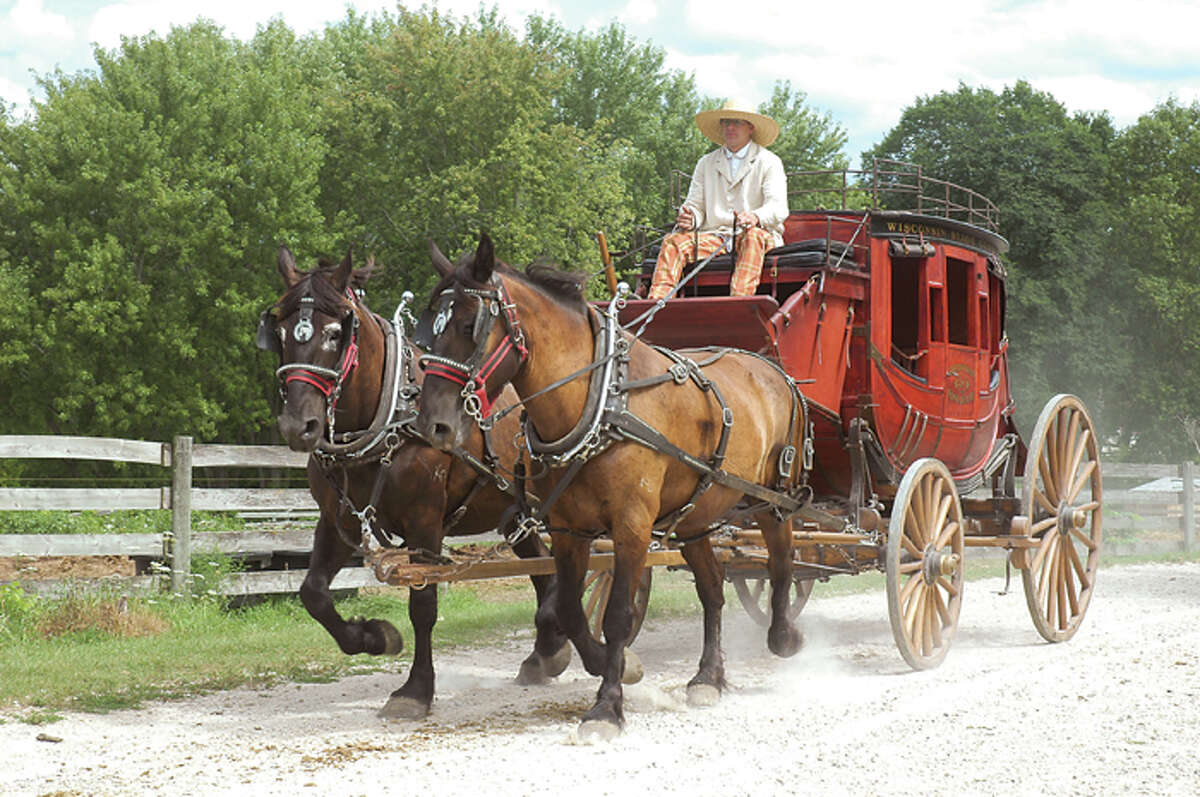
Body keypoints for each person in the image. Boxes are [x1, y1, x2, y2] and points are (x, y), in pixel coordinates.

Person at [647, 100, 788, 300]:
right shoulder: (706, 163)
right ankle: (656, 304)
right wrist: (690, 218)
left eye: (737, 122)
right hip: (715, 236)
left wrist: (755, 216)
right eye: (726, 122)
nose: (730, 127)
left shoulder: (769, 162)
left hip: (757, 235)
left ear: (750, 127)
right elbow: (695, 206)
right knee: (673, 241)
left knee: (752, 238)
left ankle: (737, 304)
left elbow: (778, 207)